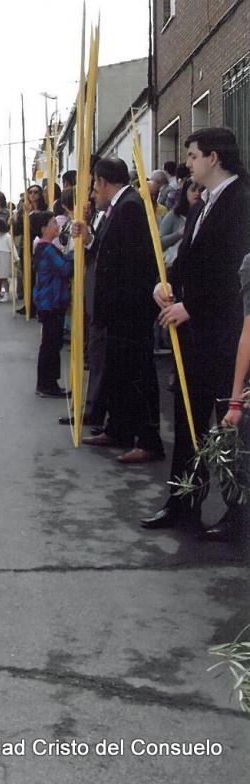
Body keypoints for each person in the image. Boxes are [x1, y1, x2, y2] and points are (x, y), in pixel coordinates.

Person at [144, 127, 250, 537]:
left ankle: (238, 513)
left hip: (225, 338)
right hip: (195, 338)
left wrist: (192, 306)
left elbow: (235, 275)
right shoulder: (203, 203)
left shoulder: (241, 202)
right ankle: (183, 501)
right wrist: (165, 283)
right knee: (189, 422)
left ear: (213, 158)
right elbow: (189, 260)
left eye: (192, 155)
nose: (186, 163)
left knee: (230, 426)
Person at [72, 158, 164, 463]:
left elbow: (133, 264)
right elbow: (110, 252)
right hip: (117, 312)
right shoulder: (119, 207)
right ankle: (119, 429)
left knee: (138, 376)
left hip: (129, 312)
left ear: (101, 181)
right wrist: (89, 240)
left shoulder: (130, 207)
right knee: (119, 375)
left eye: (93, 185)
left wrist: (116, 304)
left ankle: (148, 440)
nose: (93, 193)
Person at [33, 211, 73, 398]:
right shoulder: (48, 250)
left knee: (50, 343)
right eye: (52, 223)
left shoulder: (43, 248)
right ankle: (48, 384)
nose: (57, 226)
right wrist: (73, 254)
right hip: (52, 300)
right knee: (51, 343)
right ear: (44, 229)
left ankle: (46, 383)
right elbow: (65, 269)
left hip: (47, 300)